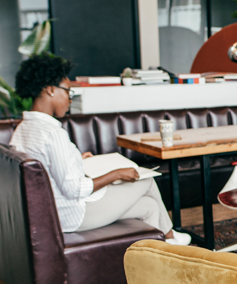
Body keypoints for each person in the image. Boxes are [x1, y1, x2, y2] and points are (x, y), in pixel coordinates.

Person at [9, 54, 189, 245]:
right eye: (69, 93)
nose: (70, 100)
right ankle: (170, 236)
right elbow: (73, 189)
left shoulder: (24, 128)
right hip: (72, 214)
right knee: (147, 180)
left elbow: (48, 167)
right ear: (51, 90)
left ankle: (157, 258)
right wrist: (115, 174)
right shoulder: (52, 133)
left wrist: (77, 159)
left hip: (55, 210)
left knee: (149, 206)